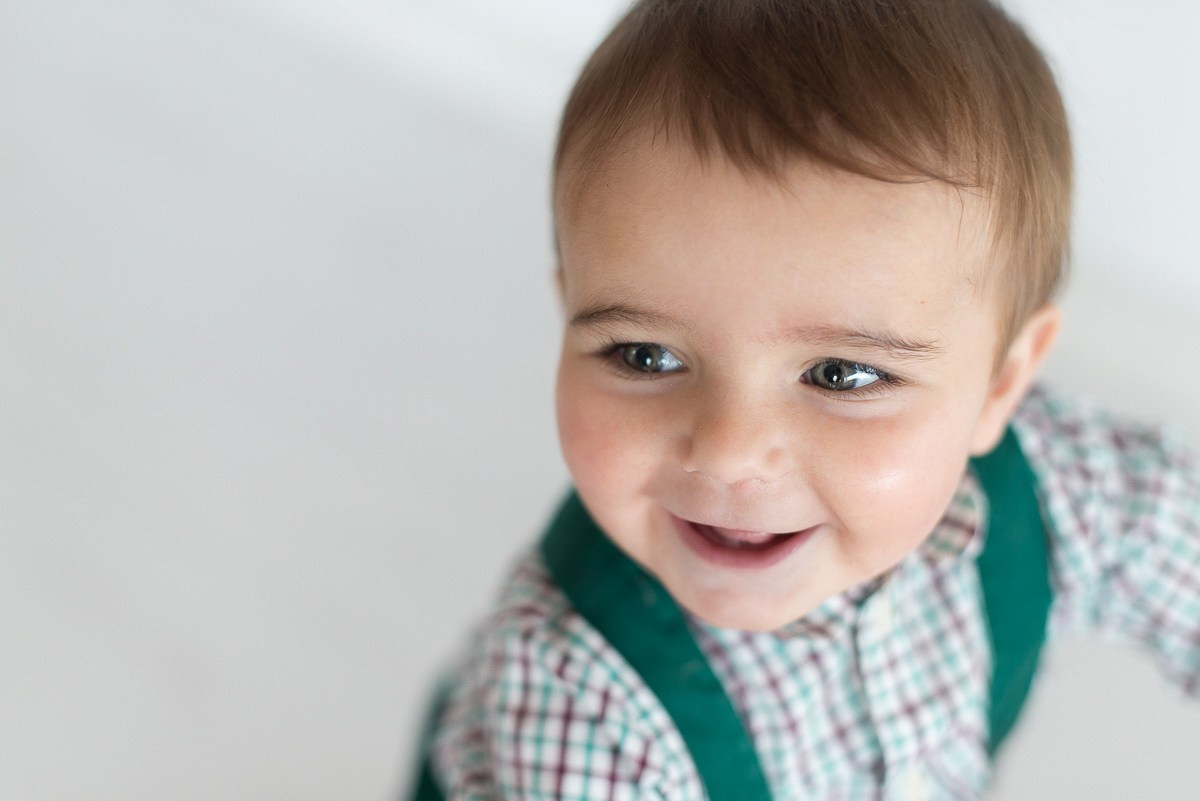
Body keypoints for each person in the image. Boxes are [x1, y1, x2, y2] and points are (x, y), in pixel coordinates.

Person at [409, 0, 1200, 798]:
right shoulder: (579, 698)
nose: (727, 450)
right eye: (646, 355)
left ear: (1001, 382)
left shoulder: (1054, 488)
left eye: (841, 375)